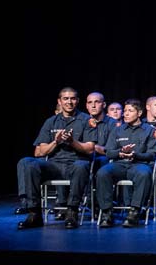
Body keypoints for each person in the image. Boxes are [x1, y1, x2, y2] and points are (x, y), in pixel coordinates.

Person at [16, 87, 97, 229]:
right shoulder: (50, 122)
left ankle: (72, 211)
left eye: (72, 98)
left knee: (81, 165)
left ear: (77, 101)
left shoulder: (86, 120)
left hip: (75, 164)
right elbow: (39, 152)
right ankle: (34, 213)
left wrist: (72, 141)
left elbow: (90, 149)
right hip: (54, 165)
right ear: (59, 101)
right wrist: (56, 141)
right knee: (27, 162)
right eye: (65, 98)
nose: (69, 102)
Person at [96, 99, 156, 228]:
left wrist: (135, 155)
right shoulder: (117, 130)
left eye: (130, 111)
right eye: (125, 111)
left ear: (139, 112)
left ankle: (134, 212)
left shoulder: (149, 130)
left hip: (139, 164)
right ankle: (107, 213)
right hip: (119, 164)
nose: (126, 114)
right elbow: (108, 152)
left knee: (144, 173)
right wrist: (120, 152)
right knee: (103, 172)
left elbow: (152, 154)